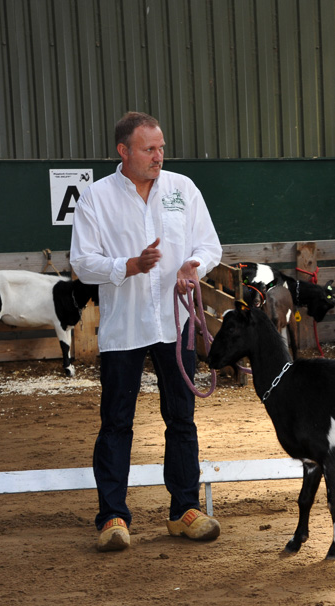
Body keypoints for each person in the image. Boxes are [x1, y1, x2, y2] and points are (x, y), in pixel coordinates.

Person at [70, 111, 224, 552]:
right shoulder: (96, 198)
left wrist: (193, 267)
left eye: (160, 148)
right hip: (124, 328)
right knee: (116, 422)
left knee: (182, 418)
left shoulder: (183, 189)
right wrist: (128, 266)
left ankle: (184, 510)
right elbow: (82, 262)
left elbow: (208, 245)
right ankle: (113, 517)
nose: (159, 156)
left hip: (175, 323)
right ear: (123, 151)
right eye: (149, 149)